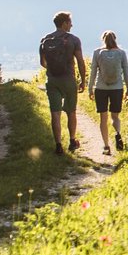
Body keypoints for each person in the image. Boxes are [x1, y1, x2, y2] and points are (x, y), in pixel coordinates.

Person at [38, 10, 87, 154]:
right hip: (68, 79)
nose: (72, 25)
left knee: (55, 113)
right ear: (65, 23)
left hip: (52, 80)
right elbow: (80, 61)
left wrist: (53, 68)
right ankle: (72, 141)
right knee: (71, 111)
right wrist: (83, 80)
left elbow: (43, 63)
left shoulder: (45, 39)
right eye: (70, 22)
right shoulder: (73, 40)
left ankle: (58, 145)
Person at [90, 29, 128, 156]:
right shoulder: (121, 53)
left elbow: (93, 72)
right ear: (115, 39)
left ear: (103, 39)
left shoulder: (97, 53)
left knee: (103, 118)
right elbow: (126, 73)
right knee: (115, 116)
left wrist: (90, 88)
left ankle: (106, 146)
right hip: (117, 88)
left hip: (101, 88)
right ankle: (118, 133)